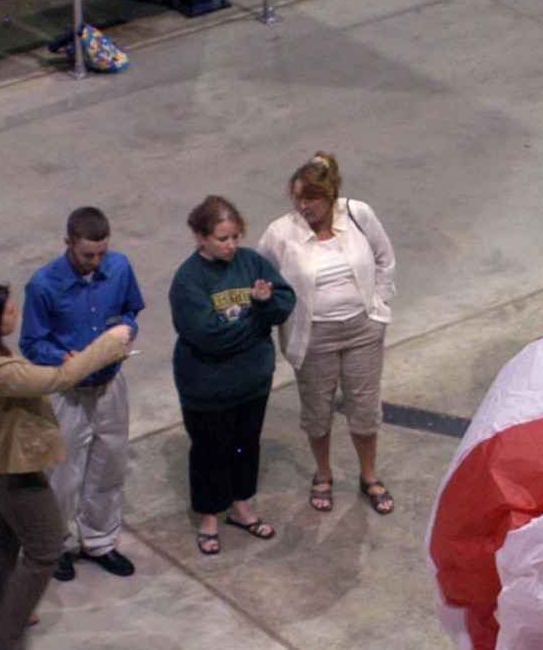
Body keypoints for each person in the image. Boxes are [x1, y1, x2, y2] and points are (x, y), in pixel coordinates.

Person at [0, 283, 131, 650]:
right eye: (8, 310)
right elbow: (58, 379)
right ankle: (6, 642)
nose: (15, 313)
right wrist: (107, 344)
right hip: (12, 470)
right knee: (46, 548)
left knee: (1, 537)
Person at [258, 151, 400, 518]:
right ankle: (323, 474)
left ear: (330, 196)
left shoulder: (358, 215)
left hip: (362, 329)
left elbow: (385, 259)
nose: (303, 206)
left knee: (364, 408)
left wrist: (377, 302)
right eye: (297, 198)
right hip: (313, 335)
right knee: (317, 410)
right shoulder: (280, 234)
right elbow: (263, 277)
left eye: (310, 199)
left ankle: (369, 475)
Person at [19, 206, 145, 583]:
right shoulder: (43, 285)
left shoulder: (119, 268)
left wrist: (126, 331)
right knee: (61, 474)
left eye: (101, 253)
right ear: (68, 244)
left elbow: (131, 310)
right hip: (67, 392)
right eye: (88, 254)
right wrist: (63, 357)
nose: (95, 261)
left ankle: (100, 541)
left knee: (109, 464)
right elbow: (31, 342)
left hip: (109, 386)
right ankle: (54, 545)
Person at [168, 196, 295, 556]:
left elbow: (285, 301)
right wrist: (257, 315)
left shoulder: (251, 262)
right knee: (211, 451)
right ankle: (209, 516)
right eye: (222, 238)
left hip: (252, 384)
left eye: (235, 236)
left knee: (244, 445)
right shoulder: (188, 280)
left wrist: (267, 304)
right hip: (208, 389)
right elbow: (209, 336)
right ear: (200, 236)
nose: (231, 246)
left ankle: (240, 506)